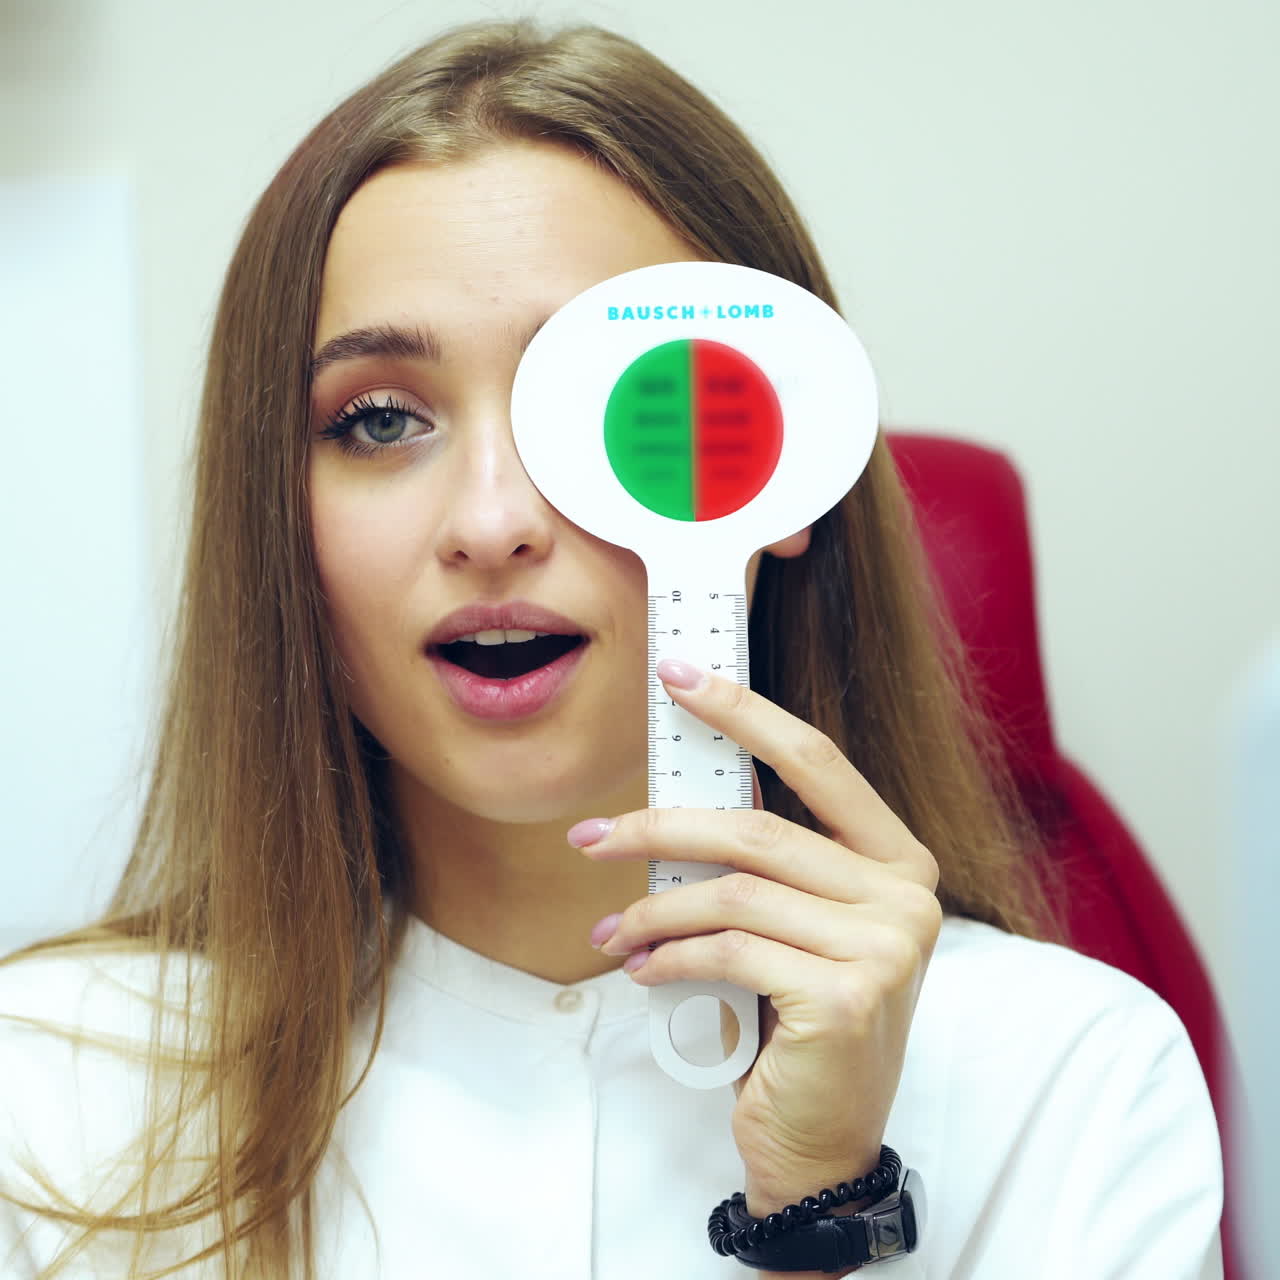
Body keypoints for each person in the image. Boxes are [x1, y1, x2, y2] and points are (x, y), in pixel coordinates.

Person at [0, 18, 1222, 1279]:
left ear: (779, 461)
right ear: (278, 515)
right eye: (376, 420)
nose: (489, 522)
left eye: (593, 405)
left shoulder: (1068, 1080)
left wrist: (826, 1212)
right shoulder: (47, 1102)